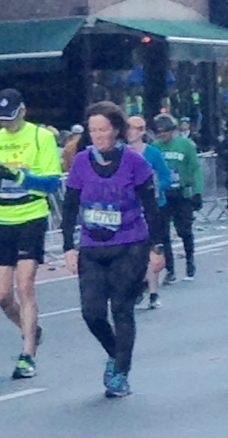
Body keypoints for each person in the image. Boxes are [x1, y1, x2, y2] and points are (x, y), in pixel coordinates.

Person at [62, 101, 166, 398]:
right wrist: (68, 246)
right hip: (92, 247)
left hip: (130, 244)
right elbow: (69, 206)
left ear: (117, 130)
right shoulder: (81, 162)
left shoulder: (135, 162)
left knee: (122, 308)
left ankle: (121, 374)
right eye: (93, 130)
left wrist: (157, 248)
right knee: (91, 312)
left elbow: (151, 207)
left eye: (103, 130)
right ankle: (114, 352)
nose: (97, 135)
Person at [0, 88, 62, 379]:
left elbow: (51, 183)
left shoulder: (41, 137)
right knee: (1, 294)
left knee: (25, 284)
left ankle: (27, 354)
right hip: (2, 218)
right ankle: (31, 329)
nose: (5, 125)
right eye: (0, 120)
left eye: (10, 118)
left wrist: (20, 177)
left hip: (31, 215)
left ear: (22, 111)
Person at [152, 113, 203, 283]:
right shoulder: (155, 147)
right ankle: (170, 270)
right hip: (164, 196)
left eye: (164, 132)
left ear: (172, 131)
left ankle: (190, 262)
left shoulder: (185, 145)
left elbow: (195, 168)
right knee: (163, 233)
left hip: (182, 193)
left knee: (184, 230)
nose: (161, 135)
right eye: (158, 132)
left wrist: (197, 192)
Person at [127, 116, 171, 309]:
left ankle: (153, 292)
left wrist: (154, 190)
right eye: (128, 128)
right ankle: (139, 286)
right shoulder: (122, 153)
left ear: (143, 131)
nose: (131, 132)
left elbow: (165, 176)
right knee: (132, 253)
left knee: (150, 250)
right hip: (130, 209)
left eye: (136, 128)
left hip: (152, 208)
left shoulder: (152, 153)